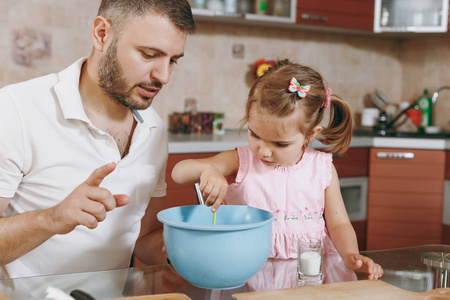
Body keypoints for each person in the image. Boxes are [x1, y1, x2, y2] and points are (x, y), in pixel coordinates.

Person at [0, 0, 196, 279]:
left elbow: (145, 238)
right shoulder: (15, 109)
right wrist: (53, 218)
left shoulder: (154, 130)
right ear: (102, 34)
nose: (163, 76)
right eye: (150, 54)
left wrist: (182, 250)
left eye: (173, 60)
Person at [171, 59, 384, 279]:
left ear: (310, 135)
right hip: (248, 275)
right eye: (254, 134)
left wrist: (350, 255)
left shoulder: (322, 169)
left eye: (280, 144)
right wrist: (209, 170)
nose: (263, 151)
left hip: (309, 276)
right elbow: (179, 171)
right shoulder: (242, 161)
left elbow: (339, 224)